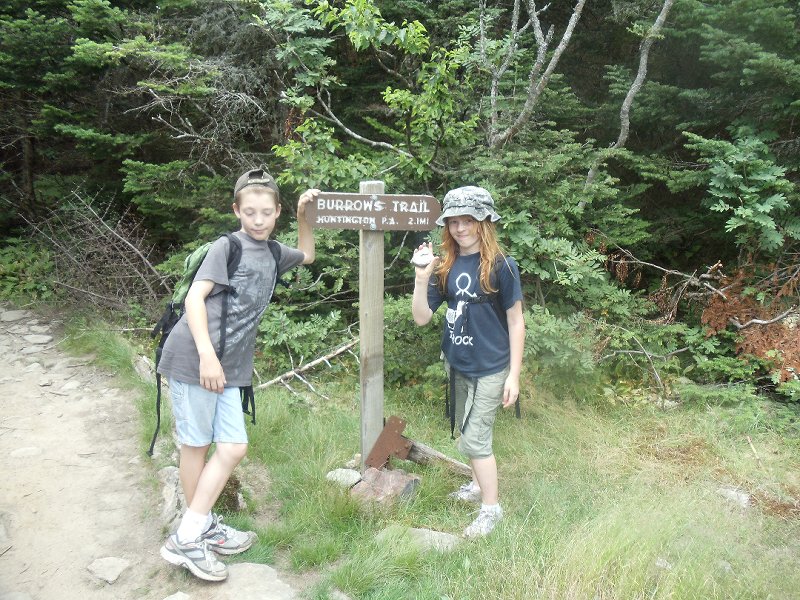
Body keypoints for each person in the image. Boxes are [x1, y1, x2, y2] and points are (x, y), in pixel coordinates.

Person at [157, 168, 318, 581]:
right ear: (237, 210)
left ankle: (195, 528)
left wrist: (305, 216)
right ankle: (192, 534)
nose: (259, 220)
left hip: (230, 369)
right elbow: (196, 299)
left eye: (267, 212)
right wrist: (209, 357)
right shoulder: (226, 247)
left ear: (277, 212)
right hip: (196, 359)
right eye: (250, 212)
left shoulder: (275, 252)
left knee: (232, 447)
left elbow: (309, 254)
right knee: (196, 445)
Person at [411, 185, 524, 539]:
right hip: (458, 362)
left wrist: (514, 376)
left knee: (475, 441)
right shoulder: (444, 266)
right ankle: (476, 487)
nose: (460, 228)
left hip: (493, 365)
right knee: (464, 431)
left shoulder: (503, 266)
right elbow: (421, 317)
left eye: (468, 220)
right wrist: (421, 277)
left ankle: (491, 510)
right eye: (454, 222)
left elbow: (516, 321)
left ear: (485, 222)